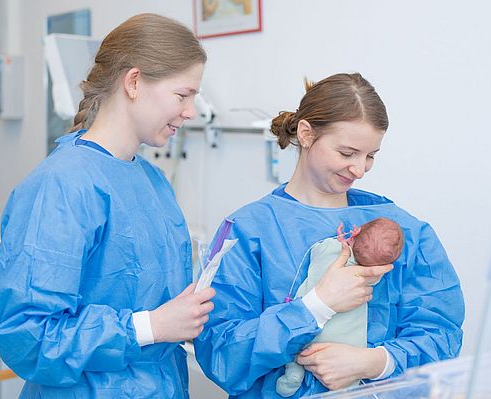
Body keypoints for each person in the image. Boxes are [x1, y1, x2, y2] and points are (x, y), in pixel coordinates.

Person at [194, 73, 465, 398]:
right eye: (347, 153)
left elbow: (440, 331)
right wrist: (315, 306)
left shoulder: (401, 230)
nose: (360, 169)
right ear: (307, 134)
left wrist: (374, 362)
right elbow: (222, 352)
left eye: (371, 156)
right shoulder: (248, 231)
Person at [0, 13, 215, 398]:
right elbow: (27, 335)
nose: (191, 111)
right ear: (134, 82)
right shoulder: (62, 185)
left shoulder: (152, 180)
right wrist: (151, 327)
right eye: (183, 95)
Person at [276, 218, 404, 397]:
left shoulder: (328, 249)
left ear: (355, 232)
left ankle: (293, 373)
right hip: (341, 343)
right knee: (350, 376)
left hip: (305, 322)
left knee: (296, 349)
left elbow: (315, 251)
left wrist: (340, 242)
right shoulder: (371, 276)